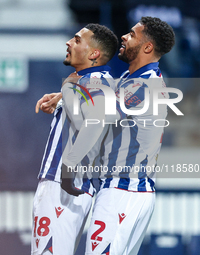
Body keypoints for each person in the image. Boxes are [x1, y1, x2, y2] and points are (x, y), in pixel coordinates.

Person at [37, 16, 175, 255]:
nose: (124, 36)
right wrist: (63, 95)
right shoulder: (130, 80)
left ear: (148, 47)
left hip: (124, 191)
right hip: (125, 191)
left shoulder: (145, 85)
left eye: (132, 35)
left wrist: (68, 166)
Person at [32, 23, 119, 255]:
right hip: (72, 185)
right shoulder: (88, 82)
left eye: (78, 40)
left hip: (63, 184)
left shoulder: (95, 84)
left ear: (93, 54)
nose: (69, 42)